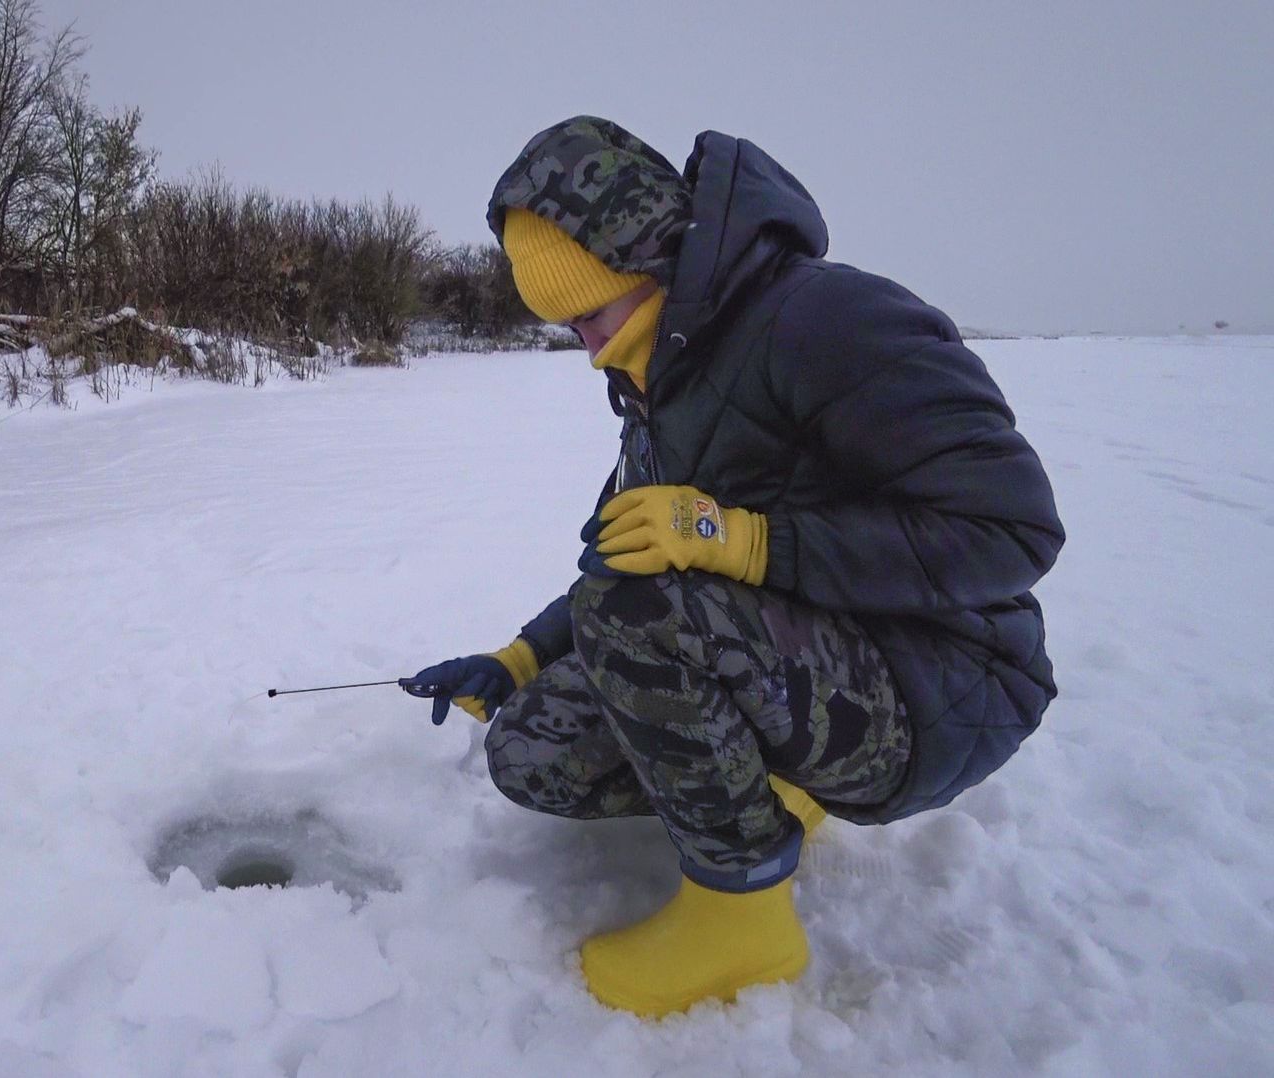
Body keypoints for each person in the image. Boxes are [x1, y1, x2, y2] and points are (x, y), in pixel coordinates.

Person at [400, 117, 1064, 1018]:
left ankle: (740, 918)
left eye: (590, 312)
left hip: (945, 683)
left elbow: (1011, 529)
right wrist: (519, 658)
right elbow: (621, 562)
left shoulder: (830, 319)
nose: (587, 346)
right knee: (530, 750)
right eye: (567, 328)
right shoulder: (657, 384)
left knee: (643, 611)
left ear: (641, 260)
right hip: (818, 664)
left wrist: (748, 540)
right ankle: (776, 787)